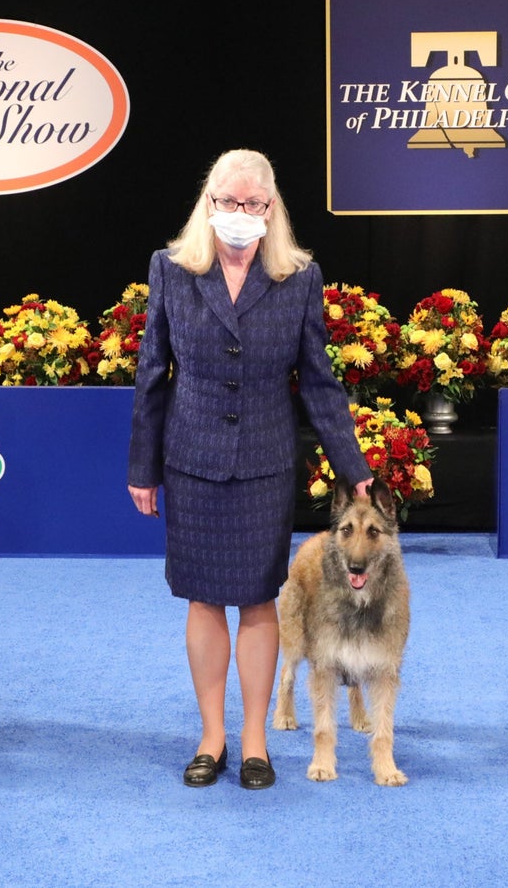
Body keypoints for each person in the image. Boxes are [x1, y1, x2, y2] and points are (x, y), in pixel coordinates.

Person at [127, 148, 373, 790]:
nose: (240, 214)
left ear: (271, 209)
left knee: (260, 601)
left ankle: (257, 742)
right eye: (228, 202)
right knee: (204, 599)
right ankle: (212, 737)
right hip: (192, 462)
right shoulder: (171, 270)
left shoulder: (299, 278)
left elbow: (319, 381)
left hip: (265, 463)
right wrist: (142, 467)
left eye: (253, 204)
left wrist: (352, 465)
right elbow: (153, 373)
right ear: (208, 204)